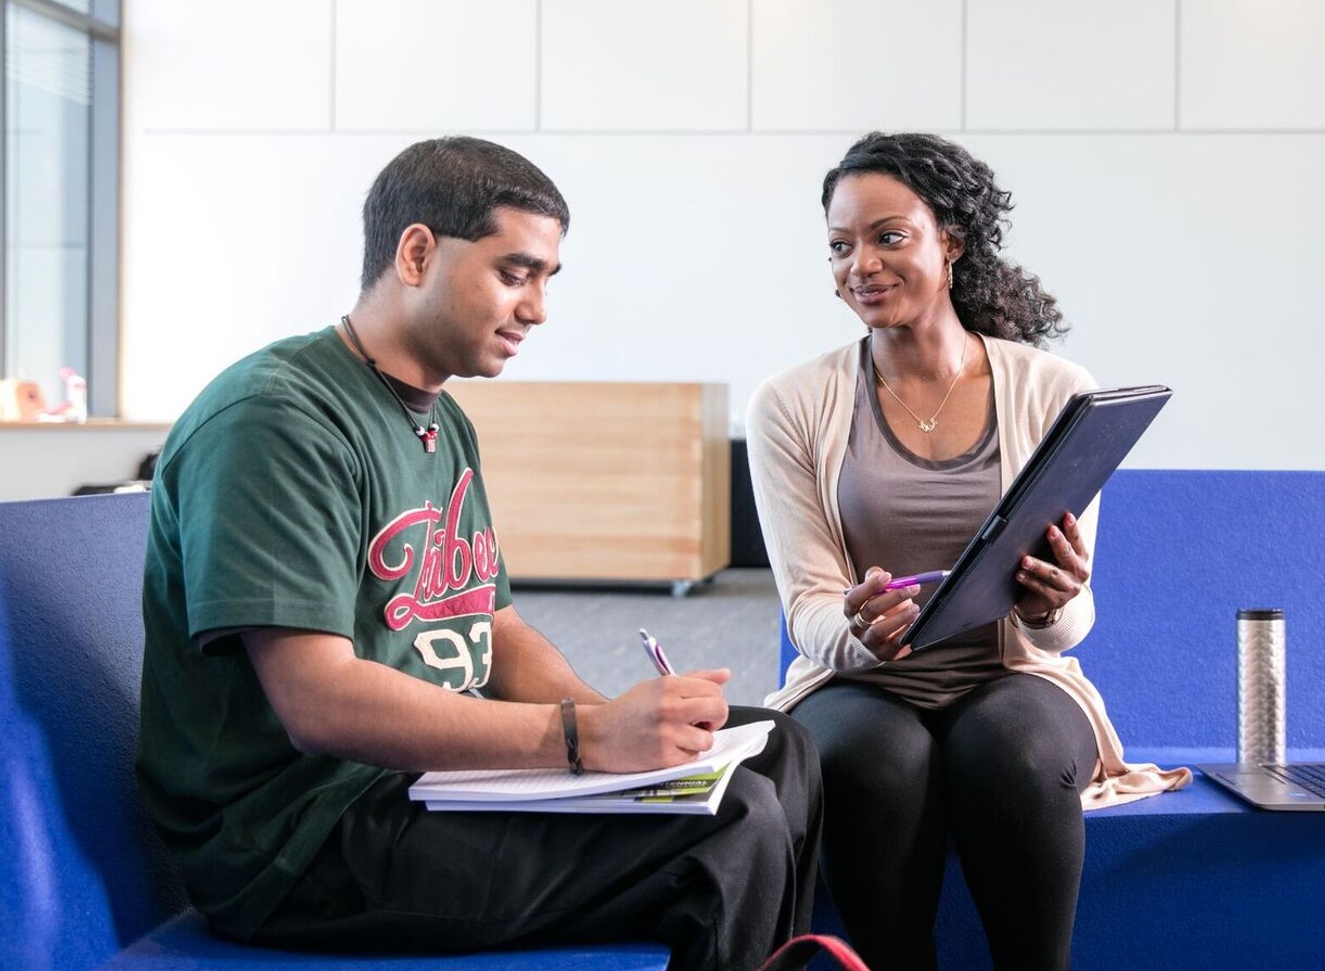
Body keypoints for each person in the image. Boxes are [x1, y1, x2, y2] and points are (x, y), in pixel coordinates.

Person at [136, 137, 820, 971]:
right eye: (514, 273)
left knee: (781, 746)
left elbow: (494, 627)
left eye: (546, 279)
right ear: (417, 253)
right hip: (303, 833)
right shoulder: (275, 419)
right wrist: (585, 737)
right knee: (736, 822)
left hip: (428, 780)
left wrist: (615, 728)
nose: (538, 308)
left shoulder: (445, 420)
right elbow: (319, 702)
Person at [746, 132, 1189, 971]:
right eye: (839, 246)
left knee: (1010, 749)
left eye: (888, 236)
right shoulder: (790, 403)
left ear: (949, 240)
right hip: (856, 684)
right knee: (873, 758)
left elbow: (1068, 624)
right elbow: (808, 605)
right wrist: (857, 631)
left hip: (1013, 675)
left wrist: (1053, 601)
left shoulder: (1055, 390)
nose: (860, 265)